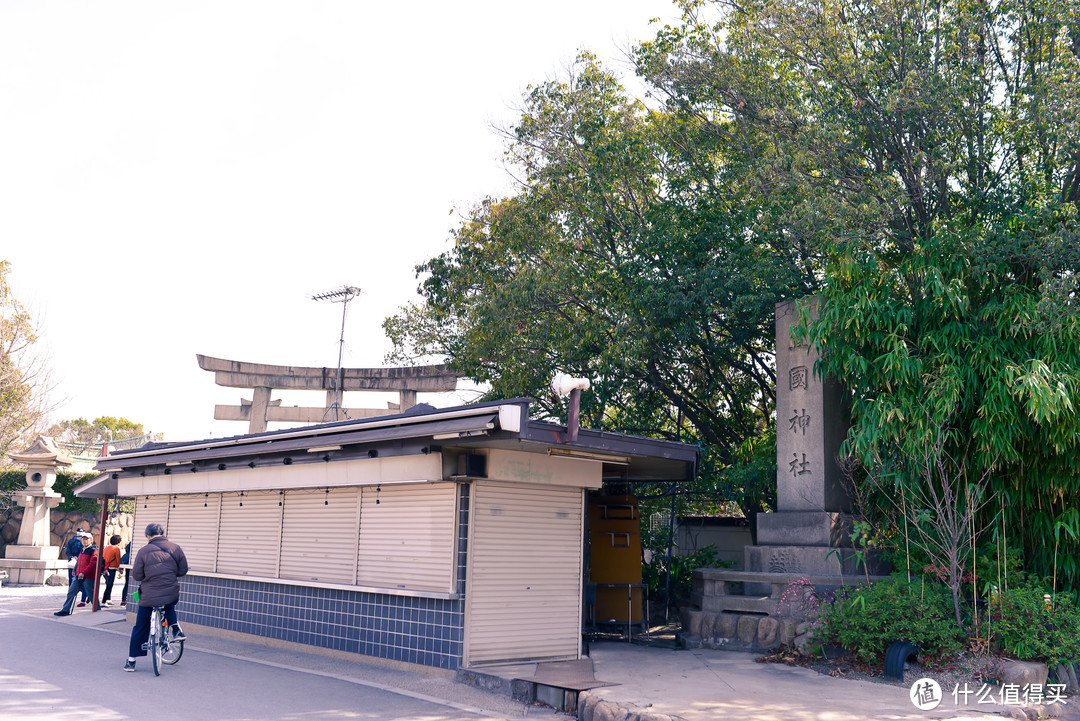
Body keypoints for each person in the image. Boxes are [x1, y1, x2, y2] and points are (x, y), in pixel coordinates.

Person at [125, 523, 188, 672]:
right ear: (163, 533)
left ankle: (131, 661)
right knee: (168, 606)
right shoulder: (175, 548)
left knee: (140, 625)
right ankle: (176, 629)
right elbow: (183, 570)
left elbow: (137, 575)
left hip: (148, 595)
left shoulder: (143, 551)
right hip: (170, 592)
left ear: (148, 536)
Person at [54, 532, 102, 616]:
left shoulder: (93, 551)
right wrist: (75, 569)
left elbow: (92, 564)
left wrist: (83, 573)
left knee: (91, 594)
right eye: (83, 539)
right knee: (71, 592)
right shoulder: (83, 550)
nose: (84, 541)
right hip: (78, 575)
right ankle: (65, 610)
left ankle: (98, 610)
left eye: (86, 539)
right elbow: (79, 561)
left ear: (91, 540)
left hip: (88, 577)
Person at [63, 528, 90, 604]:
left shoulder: (76, 541)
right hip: (75, 562)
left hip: (78, 561)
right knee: (73, 578)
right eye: (79, 531)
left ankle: (80, 596)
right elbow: (68, 550)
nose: (80, 533)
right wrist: (74, 557)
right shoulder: (73, 541)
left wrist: (74, 557)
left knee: (78, 579)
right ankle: (74, 593)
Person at [100, 534, 122, 606]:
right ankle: (104, 601)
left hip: (105, 568)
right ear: (118, 542)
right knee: (109, 585)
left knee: (108, 583)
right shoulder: (117, 549)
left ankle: (108, 599)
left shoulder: (106, 548)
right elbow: (118, 559)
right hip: (112, 568)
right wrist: (121, 569)